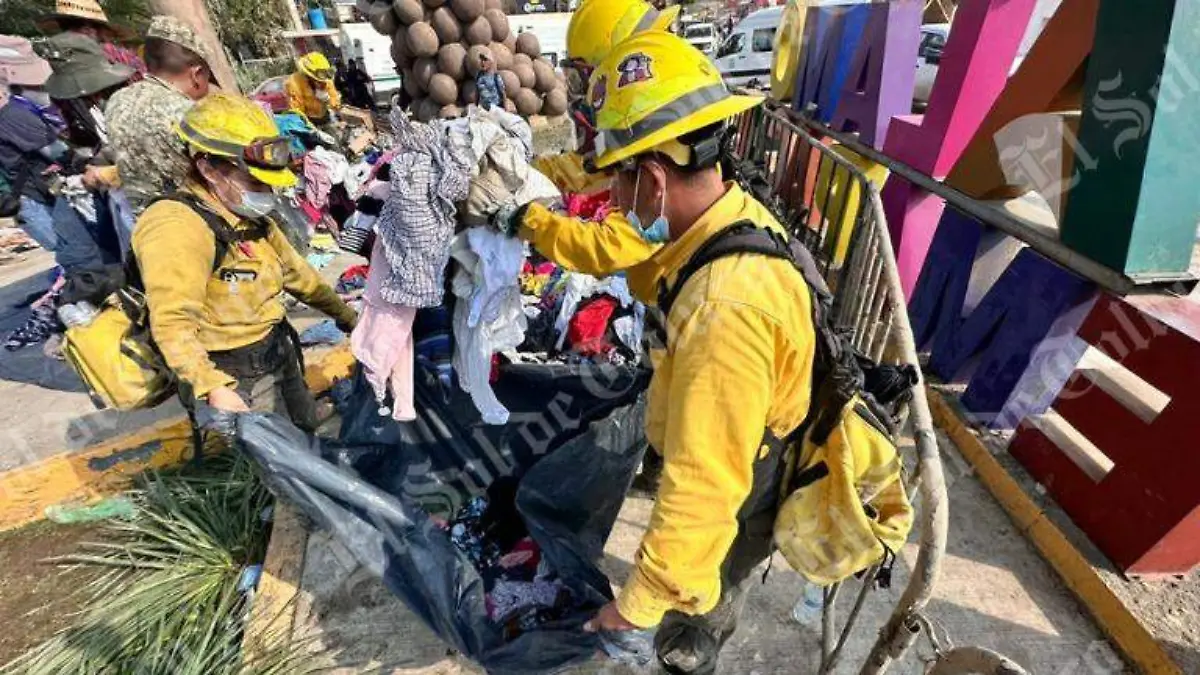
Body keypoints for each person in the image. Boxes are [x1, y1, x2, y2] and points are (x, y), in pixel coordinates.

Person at [566, 33, 815, 675]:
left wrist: (640, 604)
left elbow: (706, 484)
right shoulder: (727, 215)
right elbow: (665, 274)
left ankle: (685, 654)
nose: (616, 206)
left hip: (751, 463)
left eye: (620, 187)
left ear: (652, 179)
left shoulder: (724, 309)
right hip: (749, 430)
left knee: (695, 593)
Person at [132, 93, 357, 428]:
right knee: (274, 448)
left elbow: (299, 276)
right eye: (254, 182)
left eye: (269, 184)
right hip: (234, 368)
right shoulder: (176, 226)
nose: (265, 193)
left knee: (299, 413)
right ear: (207, 168)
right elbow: (172, 325)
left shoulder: (247, 216)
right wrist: (212, 386)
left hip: (275, 344)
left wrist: (346, 316)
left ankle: (306, 423)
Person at [106, 15, 215, 218]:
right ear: (197, 74)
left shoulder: (117, 100)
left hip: (144, 223)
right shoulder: (188, 113)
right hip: (194, 222)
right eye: (209, 80)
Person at [0, 36, 63, 253]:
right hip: (33, 198)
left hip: (30, 195)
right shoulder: (12, 114)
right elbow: (55, 151)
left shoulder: (14, 110)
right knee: (75, 257)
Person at [37, 0, 146, 75]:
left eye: (74, 26)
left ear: (90, 30)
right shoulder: (56, 60)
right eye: (66, 26)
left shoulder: (115, 56)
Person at [285, 52, 341, 124]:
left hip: (325, 115)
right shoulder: (294, 83)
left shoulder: (326, 79)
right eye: (317, 80)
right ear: (308, 74)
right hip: (309, 120)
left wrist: (328, 100)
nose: (321, 83)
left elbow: (335, 100)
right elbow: (298, 112)